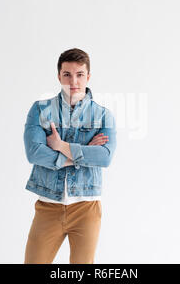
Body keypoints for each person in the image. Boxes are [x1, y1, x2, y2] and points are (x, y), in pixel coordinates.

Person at [23, 48, 117, 264]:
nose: (73, 81)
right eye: (67, 74)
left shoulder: (103, 115)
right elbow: (34, 152)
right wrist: (81, 154)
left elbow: (104, 157)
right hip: (48, 205)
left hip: (86, 207)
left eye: (80, 74)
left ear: (88, 76)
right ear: (59, 76)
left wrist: (59, 145)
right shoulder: (40, 110)